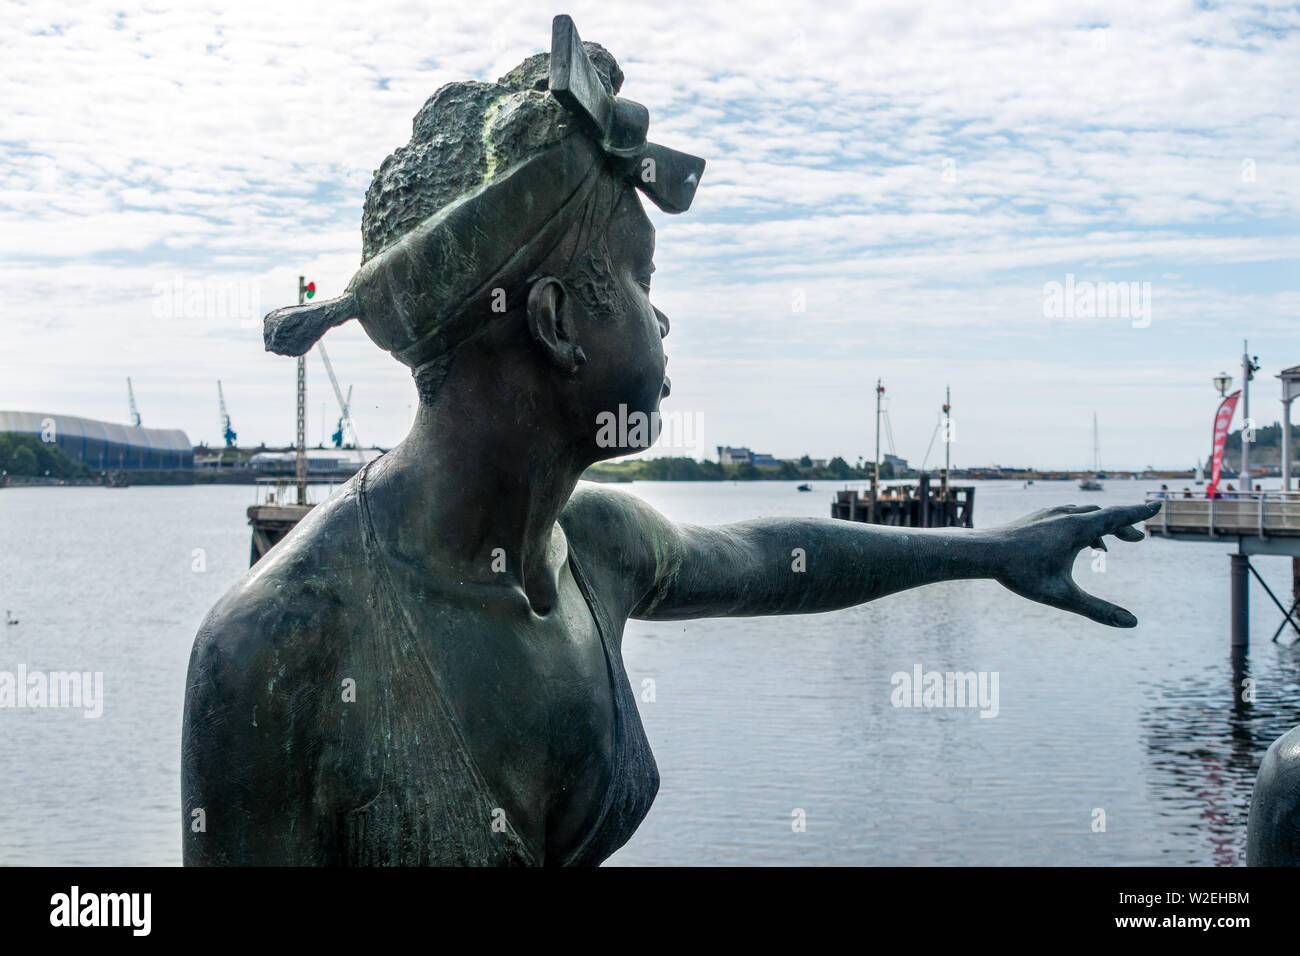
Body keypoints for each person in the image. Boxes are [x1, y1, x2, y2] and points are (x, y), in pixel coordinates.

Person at [181, 18, 1159, 867]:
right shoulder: (278, 647)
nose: (664, 318)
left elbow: (772, 558)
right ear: (560, 321)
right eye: (643, 279)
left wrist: (994, 552)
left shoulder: (591, 549)